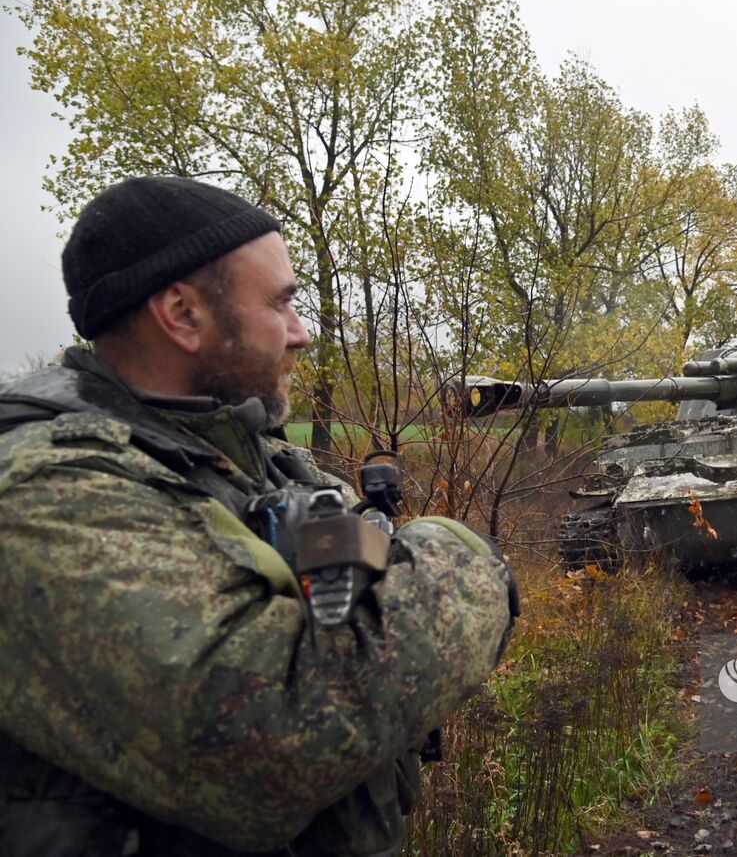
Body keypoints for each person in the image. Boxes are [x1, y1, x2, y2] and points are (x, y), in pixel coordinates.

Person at [0, 176, 518, 856]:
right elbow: (274, 728)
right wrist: (462, 552)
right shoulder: (46, 488)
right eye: (281, 303)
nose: (301, 335)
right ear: (183, 315)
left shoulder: (245, 456)